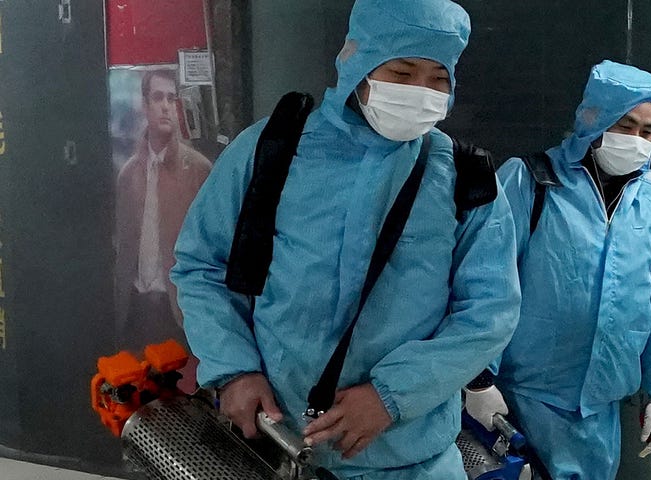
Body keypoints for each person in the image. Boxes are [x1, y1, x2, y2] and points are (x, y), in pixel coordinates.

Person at [171, 1, 519, 478]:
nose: (420, 91)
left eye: (438, 79)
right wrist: (234, 369)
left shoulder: (464, 177)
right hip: (275, 446)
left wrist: (390, 398)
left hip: (411, 459)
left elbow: (489, 312)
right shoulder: (273, 149)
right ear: (357, 61)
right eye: (402, 70)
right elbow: (202, 266)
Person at [475, 60, 651, 480]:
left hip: (600, 413)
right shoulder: (531, 183)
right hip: (521, 399)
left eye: (648, 131)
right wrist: (478, 380)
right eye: (625, 125)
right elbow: (485, 280)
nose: (637, 141)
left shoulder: (650, 206)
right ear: (595, 119)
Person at [114, 69, 212, 356]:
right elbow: (121, 247)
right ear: (145, 106)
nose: (166, 106)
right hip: (135, 309)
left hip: (180, 313)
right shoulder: (129, 174)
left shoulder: (198, 170)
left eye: (172, 98)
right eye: (158, 98)